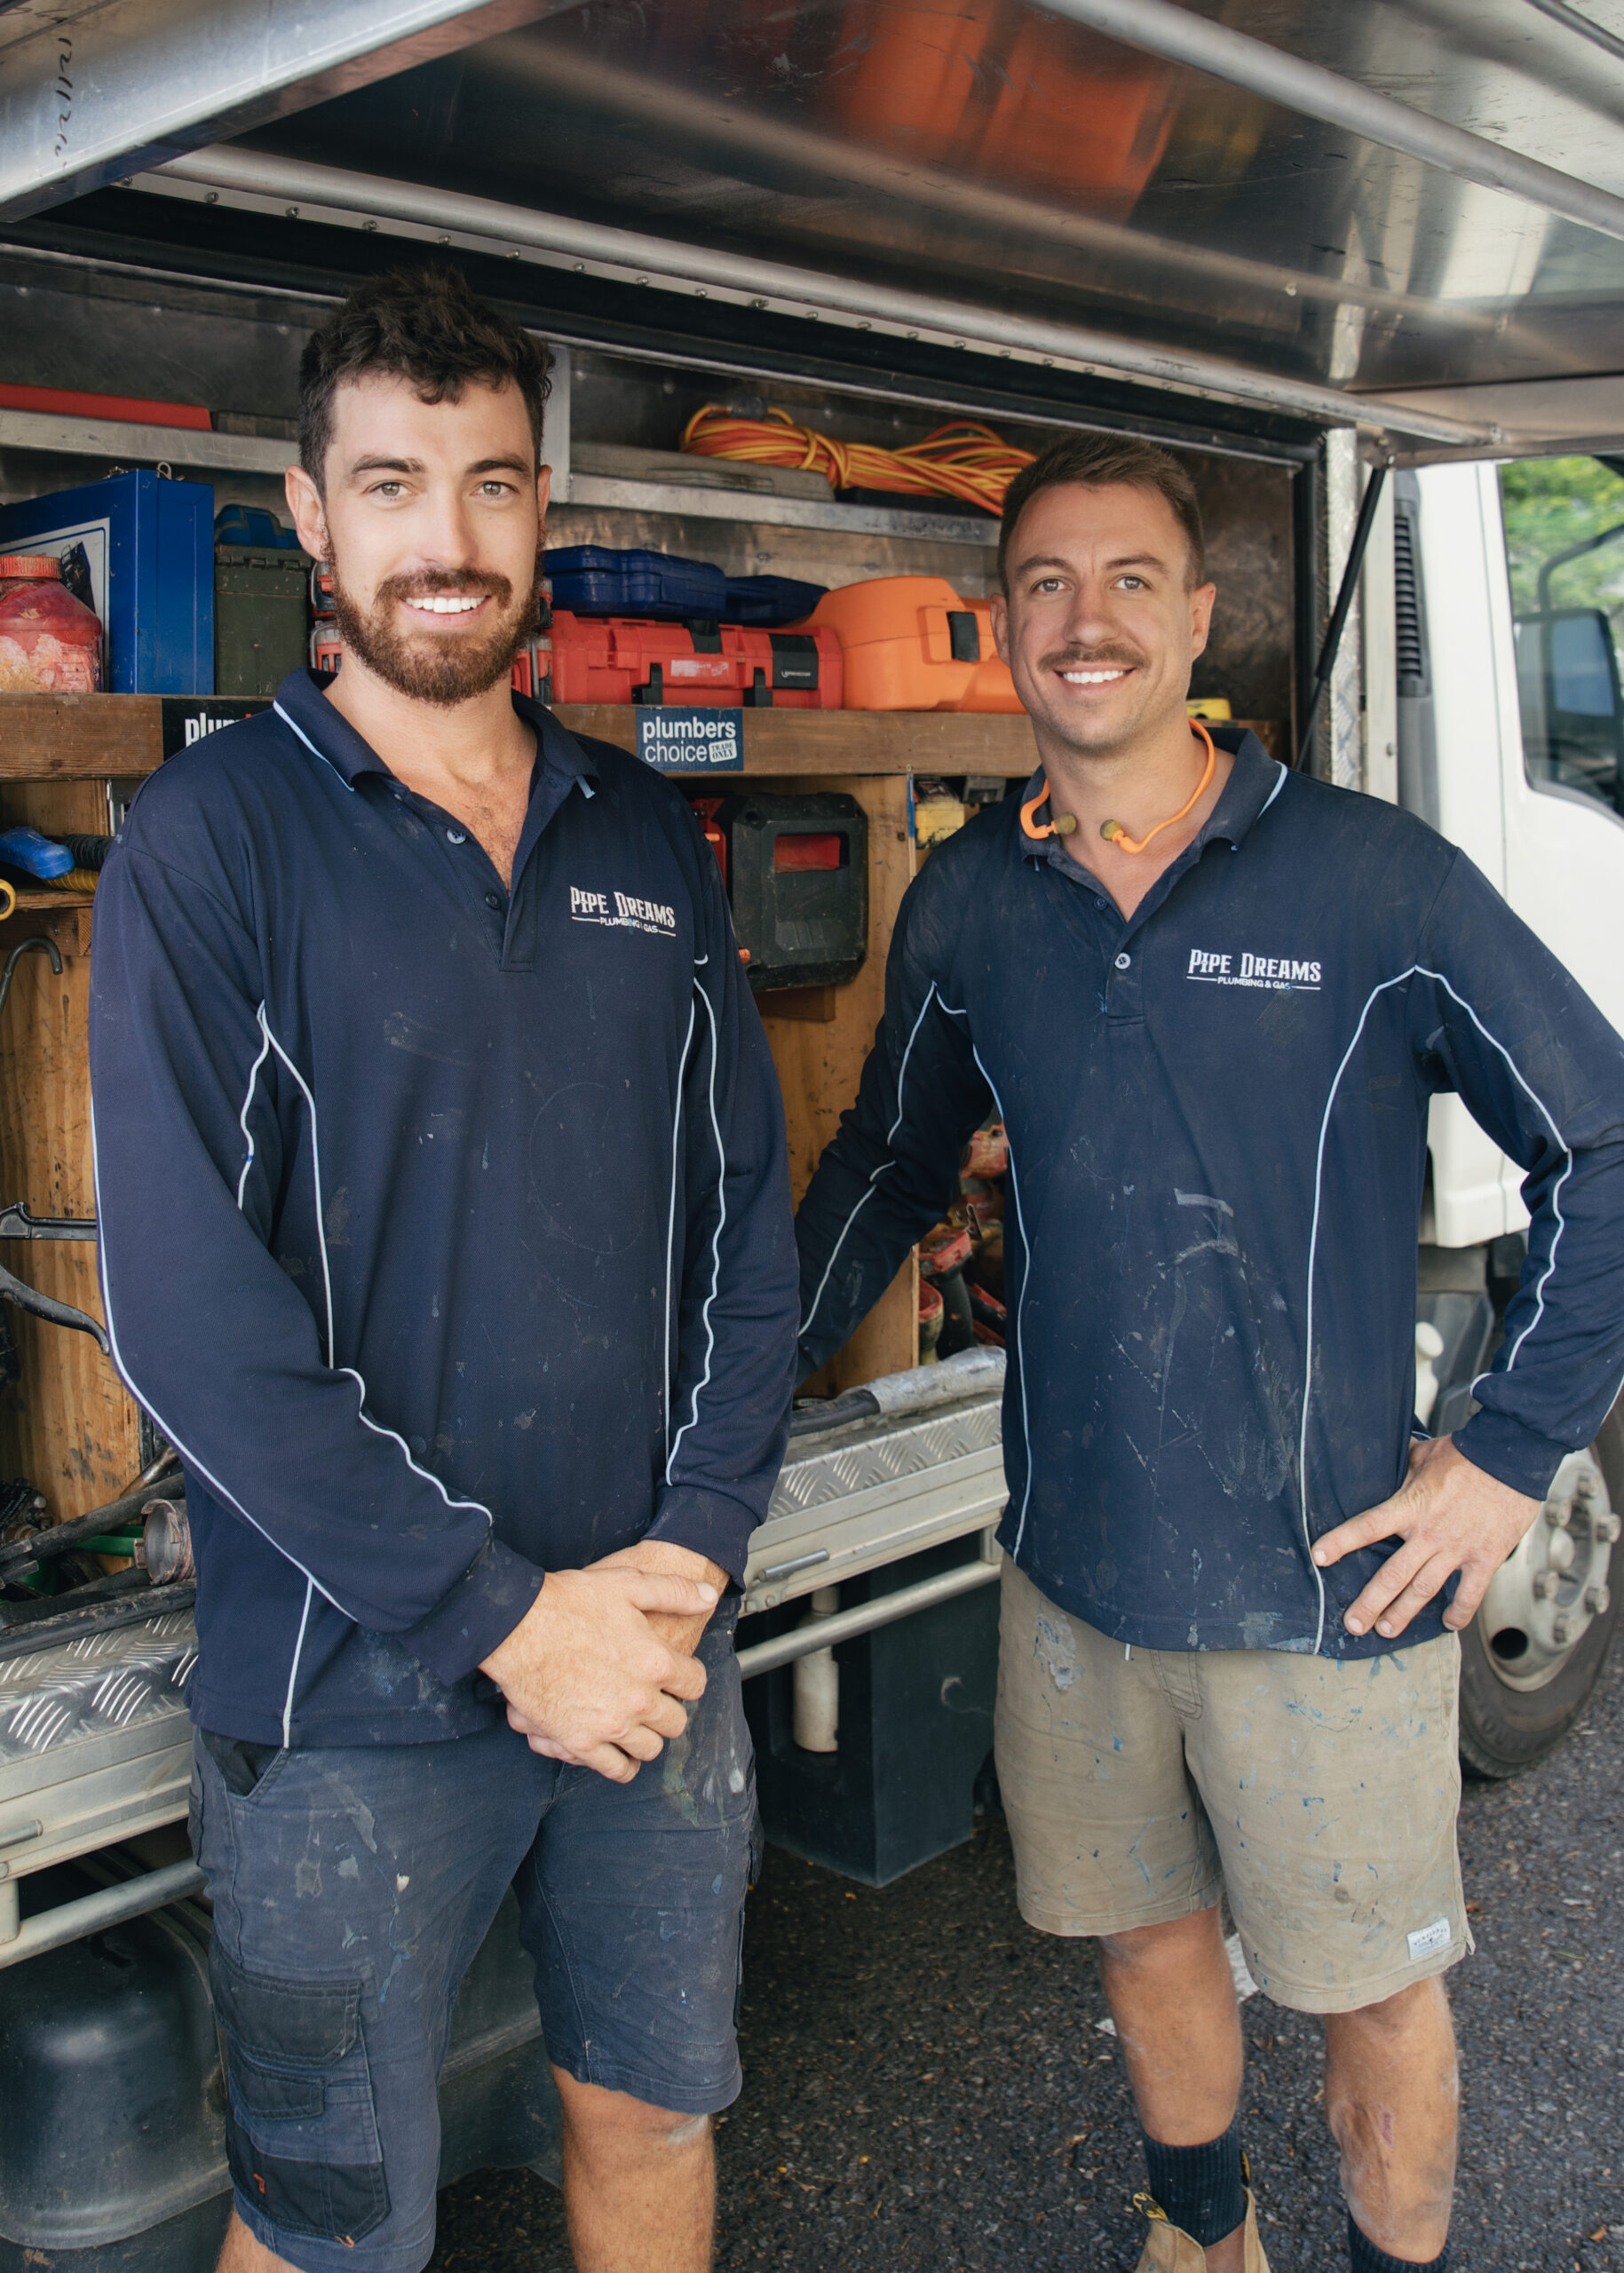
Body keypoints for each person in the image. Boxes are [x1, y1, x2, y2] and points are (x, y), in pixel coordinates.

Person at [792, 432, 1624, 2272]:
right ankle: (1204, 2233)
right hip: (1076, 1572)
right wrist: (733, 1375)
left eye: (1130, 582)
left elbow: (1604, 1140)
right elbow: (886, 1162)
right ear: (1003, 619)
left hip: (1325, 1582)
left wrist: (1507, 1449)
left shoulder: (1366, 878)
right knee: (1145, 1930)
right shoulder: (970, 904)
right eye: (1046, 586)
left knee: (1367, 1994)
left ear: (1203, 614)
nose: (1086, 623)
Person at [89, 265, 799, 2273]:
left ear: (542, 502)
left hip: (653, 1649)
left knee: (651, 2114)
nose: (446, 540)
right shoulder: (208, 840)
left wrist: (698, 1545)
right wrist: (504, 1617)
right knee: (327, 2228)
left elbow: (744, 1222)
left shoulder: (644, 833)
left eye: (490, 487)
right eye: (392, 485)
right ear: (310, 513)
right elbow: (189, 1323)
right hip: (348, 1693)